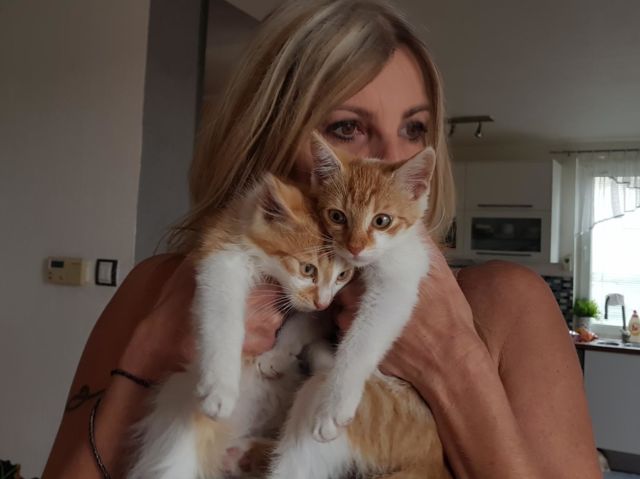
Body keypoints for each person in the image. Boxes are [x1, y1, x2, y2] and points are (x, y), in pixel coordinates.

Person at [43, 1, 602, 478]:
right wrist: (150, 354)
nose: (388, 162)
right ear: (267, 136)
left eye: (414, 129)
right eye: (346, 128)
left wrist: (453, 358)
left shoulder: (505, 303)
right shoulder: (160, 287)